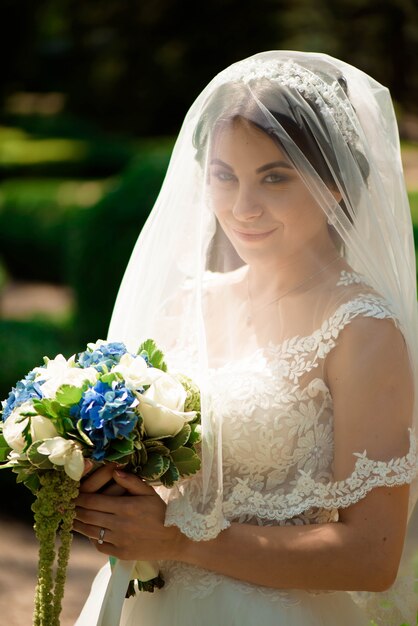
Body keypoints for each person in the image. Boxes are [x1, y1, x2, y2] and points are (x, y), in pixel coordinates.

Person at [73, 51, 418, 626]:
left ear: (334, 183)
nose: (242, 208)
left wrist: (180, 541)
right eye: (224, 176)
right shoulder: (188, 303)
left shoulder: (362, 330)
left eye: (274, 177)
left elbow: (372, 556)